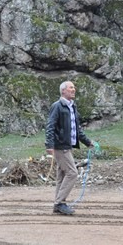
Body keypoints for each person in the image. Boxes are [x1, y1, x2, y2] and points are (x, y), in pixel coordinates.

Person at [45, 80, 96, 215]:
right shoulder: (57, 106)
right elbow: (50, 126)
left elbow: (77, 129)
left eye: (74, 87)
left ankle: (59, 204)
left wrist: (88, 142)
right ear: (63, 91)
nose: (74, 89)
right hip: (61, 146)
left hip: (67, 146)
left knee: (62, 176)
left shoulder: (72, 107)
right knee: (72, 173)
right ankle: (60, 203)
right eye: (71, 88)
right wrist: (49, 145)